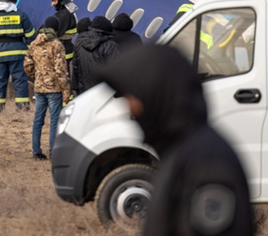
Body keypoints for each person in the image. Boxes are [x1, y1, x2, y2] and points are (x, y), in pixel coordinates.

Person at [99, 45, 253, 236]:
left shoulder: (207, 163)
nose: (130, 108)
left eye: (132, 98)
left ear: (156, 93)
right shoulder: (180, 152)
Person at [24, 15, 70, 161]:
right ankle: (53, 151)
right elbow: (61, 70)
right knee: (54, 120)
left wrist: (38, 77)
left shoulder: (34, 44)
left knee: (38, 119)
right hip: (54, 89)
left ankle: (36, 151)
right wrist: (66, 90)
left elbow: (27, 65)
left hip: (39, 88)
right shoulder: (57, 45)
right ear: (56, 29)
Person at [71, 15, 120, 95]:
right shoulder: (110, 45)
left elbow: (75, 66)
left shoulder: (79, 42)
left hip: (84, 92)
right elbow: (117, 71)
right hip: (104, 93)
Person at [48, 0, 78, 66]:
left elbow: (53, 32)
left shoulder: (63, 16)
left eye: (54, 1)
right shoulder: (70, 13)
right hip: (66, 52)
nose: (53, 4)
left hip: (60, 54)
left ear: (61, 1)